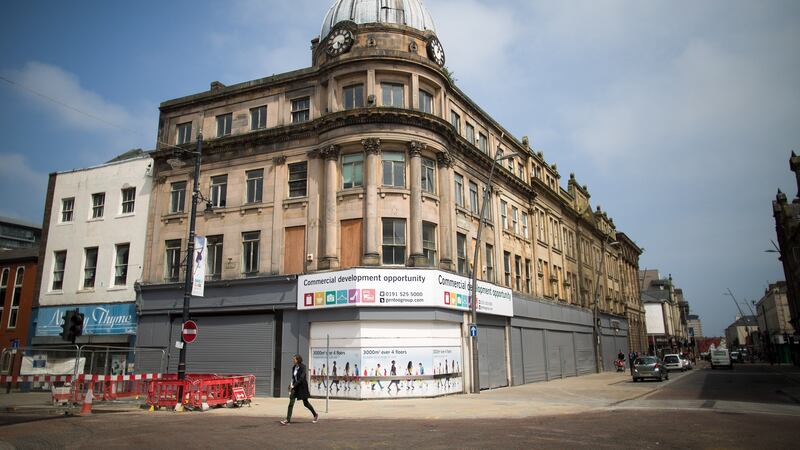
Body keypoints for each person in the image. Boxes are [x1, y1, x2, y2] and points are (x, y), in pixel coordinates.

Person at [281, 354, 319, 425]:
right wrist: (290, 385)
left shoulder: (303, 367)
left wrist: (294, 385)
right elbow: (293, 377)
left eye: (294, 359)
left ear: (298, 360)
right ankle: (287, 420)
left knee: (305, 403)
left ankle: (315, 415)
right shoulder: (294, 367)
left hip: (302, 387)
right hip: (295, 387)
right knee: (291, 402)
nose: (293, 360)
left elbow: (301, 378)